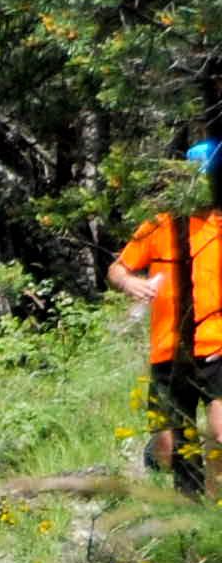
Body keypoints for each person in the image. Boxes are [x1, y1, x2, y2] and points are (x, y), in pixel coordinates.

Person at [107, 142, 222, 496]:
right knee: (168, 449)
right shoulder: (159, 225)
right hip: (168, 351)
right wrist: (130, 283)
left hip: (216, 346)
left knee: (220, 433)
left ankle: (214, 505)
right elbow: (117, 269)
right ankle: (184, 494)